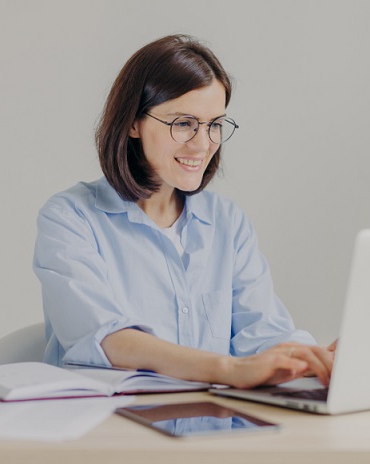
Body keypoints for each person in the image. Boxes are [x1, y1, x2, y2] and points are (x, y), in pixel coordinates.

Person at [33, 34, 334, 389]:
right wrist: (230, 369)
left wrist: (314, 358)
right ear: (133, 123)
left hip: (213, 429)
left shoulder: (227, 222)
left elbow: (263, 331)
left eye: (214, 125)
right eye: (184, 123)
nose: (203, 144)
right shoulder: (70, 218)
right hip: (111, 430)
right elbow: (107, 339)